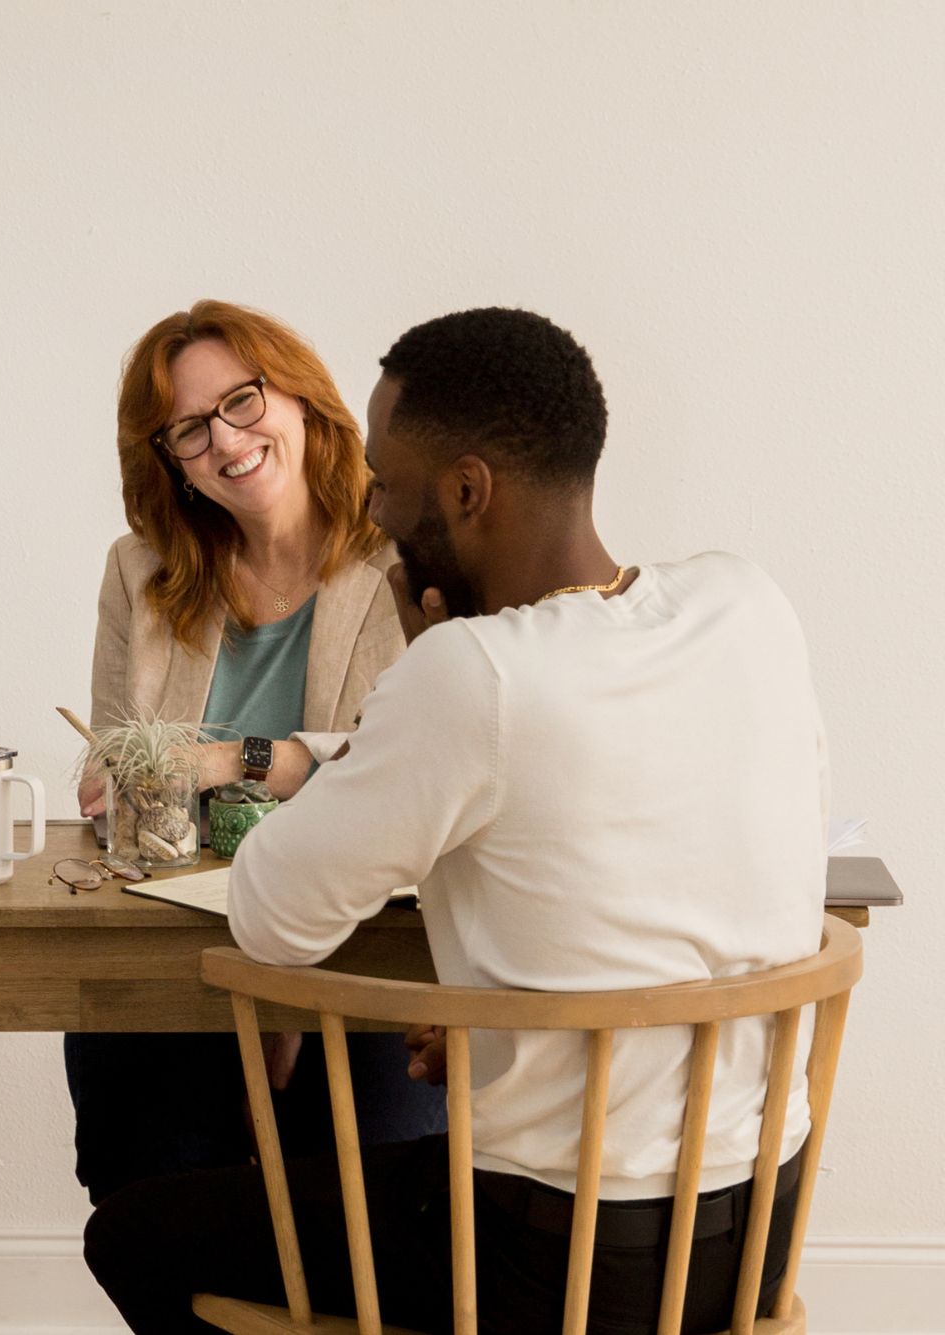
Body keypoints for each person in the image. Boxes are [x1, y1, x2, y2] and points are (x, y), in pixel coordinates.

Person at [82, 307, 827, 1333]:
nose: (373, 509)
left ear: (466, 492)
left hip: (551, 1260)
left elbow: (269, 916)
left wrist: (432, 669)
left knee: (130, 1231)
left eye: (386, 484)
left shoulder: (467, 673)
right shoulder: (747, 603)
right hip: (753, 1238)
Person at [69, 300, 444, 1206]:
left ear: (301, 397)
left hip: (369, 946)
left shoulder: (411, 554)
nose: (226, 441)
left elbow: (410, 767)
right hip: (183, 951)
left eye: (242, 401)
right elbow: (112, 767)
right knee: (141, 1194)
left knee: (371, 1194)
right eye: (189, 431)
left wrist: (230, 758)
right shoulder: (142, 569)